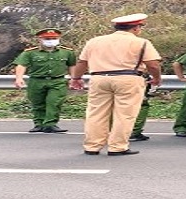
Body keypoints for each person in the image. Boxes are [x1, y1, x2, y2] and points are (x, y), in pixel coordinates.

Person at [69, 13, 162, 156]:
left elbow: (82, 62)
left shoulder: (94, 41)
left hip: (99, 78)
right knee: (124, 114)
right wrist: (156, 78)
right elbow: (153, 64)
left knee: (96, 113)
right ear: (136, 28)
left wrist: (76, 77)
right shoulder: (141, 42)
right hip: (128, 78)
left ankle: (92, 146)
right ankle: (117, 146)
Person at [13, 28, 77, 133]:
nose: (51, 40)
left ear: (59, 39)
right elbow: (21, 65)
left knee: (54, 102)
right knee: (37, 103)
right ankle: (39, 124)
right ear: (40, 39)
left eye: (54, 38)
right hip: (37, 80)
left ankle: (50, 124)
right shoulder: (30, 53)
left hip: (57, 81)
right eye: (47, 38)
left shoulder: (67, 52)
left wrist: (73, 78)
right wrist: (19, 78)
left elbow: (72, 65)